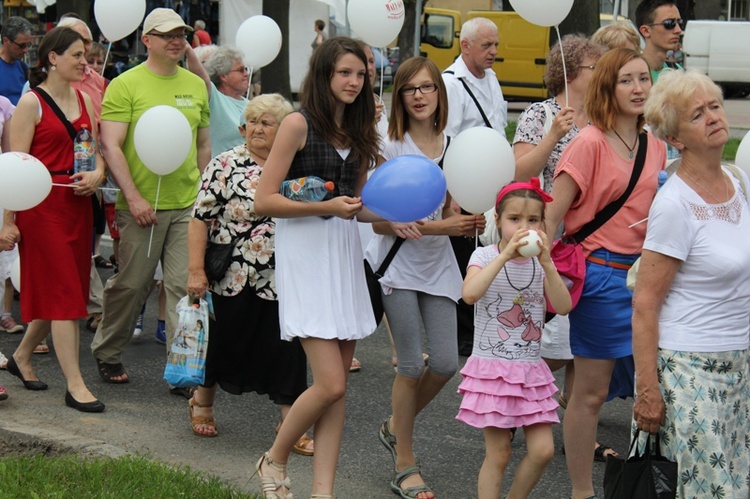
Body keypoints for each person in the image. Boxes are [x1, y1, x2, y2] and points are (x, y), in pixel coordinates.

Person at [253, 36, 380, 499]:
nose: (353, 81)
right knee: (329, 383)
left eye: (360, 74)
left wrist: (399, 219)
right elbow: (263, 200)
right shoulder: (296, 124)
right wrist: (323, 206)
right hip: (306, 253)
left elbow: (358, 206)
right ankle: (275, 458)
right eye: (344, 72)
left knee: (339, 387)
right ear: (324, 75)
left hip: (344, 255)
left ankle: (322, 491)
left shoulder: (363, 130)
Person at [544, 48, 666, 499]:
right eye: (626, 80)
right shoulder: (588, 141)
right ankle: (581, 492)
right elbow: (552, 217)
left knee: (653, 389)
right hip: (599, 275)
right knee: (590, 394)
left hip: (648, 280)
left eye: (643, 79)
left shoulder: (657, 145)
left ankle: (649, 484)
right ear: (607, 88)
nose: (638, 88)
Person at [367, 56, 484, 499]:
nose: (419, 95)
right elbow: (378, 220)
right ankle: (405, 461)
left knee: (448, 363)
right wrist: (444, 226)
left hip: (437, 266)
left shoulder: (455, 146)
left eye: (427, 87)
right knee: (412, 365)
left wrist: (466, 219)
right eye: (409, 89)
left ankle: (396, 424)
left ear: (440, 93)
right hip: (397, 264)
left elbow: (451, 208)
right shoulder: (390, 144)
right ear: (399, 96)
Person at [633, 69, 750, 499]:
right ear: (676, 138)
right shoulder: (675, 204)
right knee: (712, 492)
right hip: (689, 373)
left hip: (739, 368)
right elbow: (644, 303)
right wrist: (647, 390)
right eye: (697, 114)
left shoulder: (738, 182)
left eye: (715, 106)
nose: (714, 117)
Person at [185, 94, 314, 457]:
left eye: (267, 122)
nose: (256, 128)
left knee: (287, 351)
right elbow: (200, 218)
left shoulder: (297, 164)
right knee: (222, 340)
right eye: (252, 121)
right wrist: (196, 270)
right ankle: (202, 403)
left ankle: (290, 423)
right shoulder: (226, 163)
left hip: (283, 277)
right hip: (232, 274)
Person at [512, 35, 618, 462]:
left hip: (590, 241)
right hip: (545, 240)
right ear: (571, 71)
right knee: (544, 335)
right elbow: (517, 173)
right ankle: (516, 399)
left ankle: (579, 430)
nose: (601, 75)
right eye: (595, 67)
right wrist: (552, 134)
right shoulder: (539, 114)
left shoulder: (603, 117)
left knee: (578, 342)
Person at [91, 8, 210, 384]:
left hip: (187, 205)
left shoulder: (195, 85)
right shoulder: (125, 84)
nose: (177, 40)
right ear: (147, 41)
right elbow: (110, 145)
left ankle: (182, 370)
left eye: (181, 34)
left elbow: (202, 143)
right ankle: (108, 351)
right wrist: (134, 197)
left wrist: (204, 192)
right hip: (140, 206)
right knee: (133, 284)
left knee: (182, 286)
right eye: (167, 34)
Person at [0, 26, 106, 412]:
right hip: (42, 209)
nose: (85, 62)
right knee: (64, 295)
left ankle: (22, 357)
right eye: (77, 55)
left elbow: (94, 151)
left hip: (78, 205)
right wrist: (9, 221)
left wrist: (98, 173)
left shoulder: (85, 99)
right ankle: (75, 384)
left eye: (87, 54)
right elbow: (16, 165)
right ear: (52, 58)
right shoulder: (32, 103)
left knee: (66, 291)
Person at [461, 179, 571, 499]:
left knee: (542, 451)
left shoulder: (541, 265)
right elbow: (469, 294)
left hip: (529, 371)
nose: (524, 227)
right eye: (514, 219)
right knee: (499, 453)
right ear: (498, 220)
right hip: (493, 370)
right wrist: (505, 254)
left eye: (533, 220)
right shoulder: (483, 256)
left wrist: (548, 264)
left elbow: (563, 307)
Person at [443, 16, 509, 357]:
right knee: (464, 258)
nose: (494, 51)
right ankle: (463, 332)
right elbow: (449, 140)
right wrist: (452, 195)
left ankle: (480, 324)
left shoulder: (493, 78)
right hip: (466, 184)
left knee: (486, 254)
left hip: (491, 182)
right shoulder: (452, 84)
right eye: (487, 45)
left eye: (496, 44)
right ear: (465, 45)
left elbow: (497, 125)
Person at [185, 44, 249, 156]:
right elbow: (199, 76)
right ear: (223, 76)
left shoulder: (250, 104)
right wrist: (187, 49)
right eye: (240, 70)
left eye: (246, 69)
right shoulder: (214, 97)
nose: (246, 74)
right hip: (221, 171)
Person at [636, 0, 684, 81]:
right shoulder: (632, 74)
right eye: (669, 23)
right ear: (646, 31)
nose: (678, 30)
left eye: (680, 22)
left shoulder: (677, 71)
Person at [0, 17, 32, 105]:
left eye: (28, 45)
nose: (26, 50)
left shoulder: (24, 68)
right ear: (6, 41)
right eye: (22, 45)